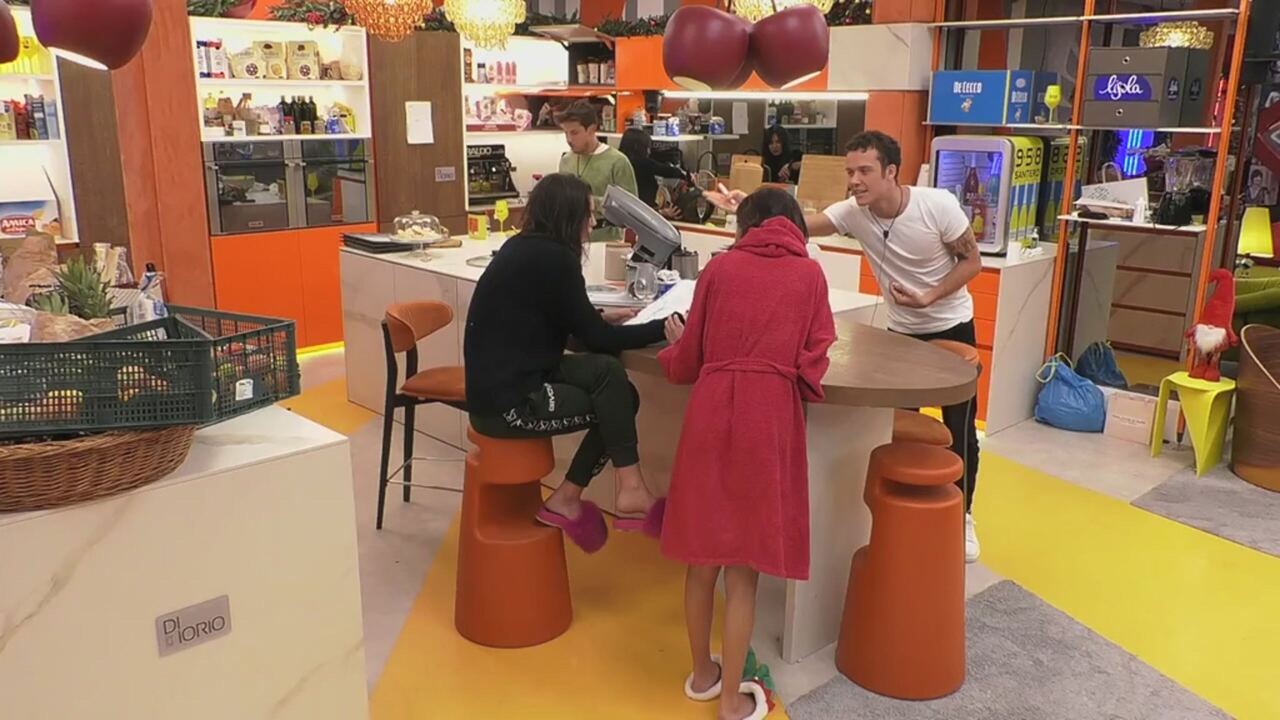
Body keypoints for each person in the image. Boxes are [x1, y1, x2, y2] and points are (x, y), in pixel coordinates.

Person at [705, 130, 984, 562]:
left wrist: (930, 296)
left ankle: (963, 517)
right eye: (850, 171)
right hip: (901, 332)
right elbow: (795, 224)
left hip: (951, 324)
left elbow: (972, 261)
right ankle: (899, 512)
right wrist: (748, 206)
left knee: (960, 429)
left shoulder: (937, 206)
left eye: (864, 171)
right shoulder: (854, 213)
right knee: (894, 428)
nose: (854, 180)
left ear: (891, 172)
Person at [659, 188, 836, 720]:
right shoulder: (810, 276)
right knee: (743, 572)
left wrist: (676, 345)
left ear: (746, 225)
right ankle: (731, 699)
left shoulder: (719, 268)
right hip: (769, 418)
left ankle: (702, 674)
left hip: (711, 410)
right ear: (794, 225)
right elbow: (815, 359)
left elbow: (688, 360)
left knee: (701, 558)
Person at [464, 173, 666, 553]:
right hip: (508, 407)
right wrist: (664, 327)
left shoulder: (524, 248)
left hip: (502, 385)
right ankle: (623, 489)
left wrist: (595, 319)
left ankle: (581, 496)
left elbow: (562, 323)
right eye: (587, 215)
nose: (591, 223)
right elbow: (598, 340)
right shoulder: (557, 260)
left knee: (610, 378)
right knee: (619, 397)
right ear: (568, 216)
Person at [556, 101, 638, 242]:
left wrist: (589, 202)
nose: (569, 139)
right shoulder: (566, 160)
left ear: (591, 129)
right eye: (566, 133)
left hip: (607, 240)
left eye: (574, 133)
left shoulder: (617, 161)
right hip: (571, 239)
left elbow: (631, 209)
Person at [618, 127, 691, 211]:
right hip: (646, 208)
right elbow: (670, 171)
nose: (649, 152)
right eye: (647, 147)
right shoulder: (644, 163)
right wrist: (685, 174)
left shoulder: (619, 161)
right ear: (637, 147)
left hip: (624, 207)